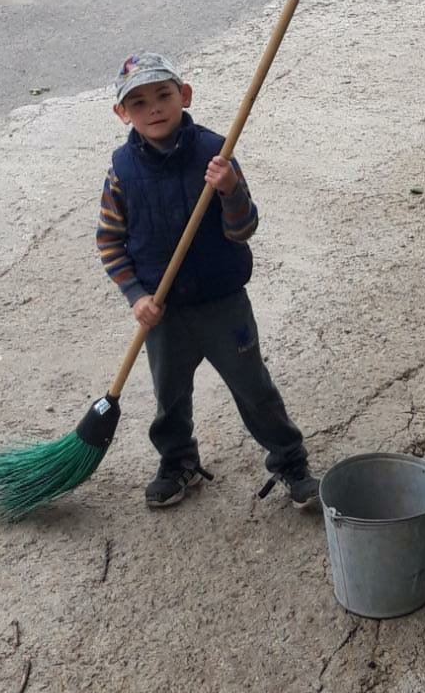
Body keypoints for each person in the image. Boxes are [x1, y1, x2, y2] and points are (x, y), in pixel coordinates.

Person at [95, 52, 318, 509]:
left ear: (185, 95)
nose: (154, 108)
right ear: (122, 114)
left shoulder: (217, 153)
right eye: (138, 103)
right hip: (163, 310)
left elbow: (243, 229)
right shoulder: (122, 171)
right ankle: (177, 461)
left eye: (163, 94)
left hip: (222, 302)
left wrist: (229, 189)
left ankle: (290, 461)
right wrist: (137, 297)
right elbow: (110, 242)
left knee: (253, 386)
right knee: (169, 395)